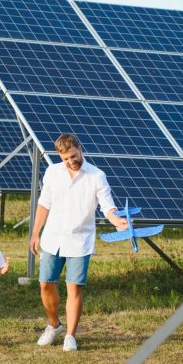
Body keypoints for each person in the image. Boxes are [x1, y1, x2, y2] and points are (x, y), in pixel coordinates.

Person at [29, 133, 128, 351]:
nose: (71, 161)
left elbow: (107, 205)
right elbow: (44, 204)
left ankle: (70, 336)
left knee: (73, 288)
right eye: (66, 159)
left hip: (80, 241)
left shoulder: (96, 176)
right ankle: (54, 325)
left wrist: (116, 220)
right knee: (45, 284)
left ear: (80, 149)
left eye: (73, 156)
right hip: (53, 237)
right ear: (60, 157)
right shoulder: (52, 172)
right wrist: (35, 233)